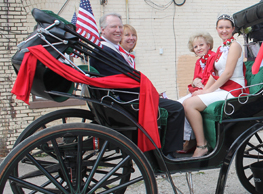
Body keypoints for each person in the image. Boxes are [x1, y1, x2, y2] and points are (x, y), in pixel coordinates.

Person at [90, 12, 184, 155]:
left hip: (124, 97)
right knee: (177, 108)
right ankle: (168, 154)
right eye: (113, 27)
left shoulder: (109, 49)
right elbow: (123, 80)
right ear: (103, 29)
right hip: (128, 100)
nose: (118, 30)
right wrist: (147, 92)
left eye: (120, 27)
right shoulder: (105, 51)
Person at [183, 14, 248, 158]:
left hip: (234, 89)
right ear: (217, 29)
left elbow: (227, 73)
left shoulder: (235, 46)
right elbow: (214, 73)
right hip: (223, 87)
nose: (224, 30)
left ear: (233, 29)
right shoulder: (220, 48)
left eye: (227, 27)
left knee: (189, 105)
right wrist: (204, 90)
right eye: (221, 27)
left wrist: (207, 92)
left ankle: (202, 145)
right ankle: (195, 141)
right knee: (190, 99)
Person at [177, 32, 216, 153]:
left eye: (201, 45)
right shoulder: (199, 62)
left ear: (208, 45)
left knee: (185, 103)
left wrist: (200, 85)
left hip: (211, 90)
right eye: (195, 47)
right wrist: (194, 82)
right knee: (177, 105)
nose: (198, 48)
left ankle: (195, 141)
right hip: (200, 90)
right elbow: (195, 81)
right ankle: (189, 139)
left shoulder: (213, 57)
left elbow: (213, 77)